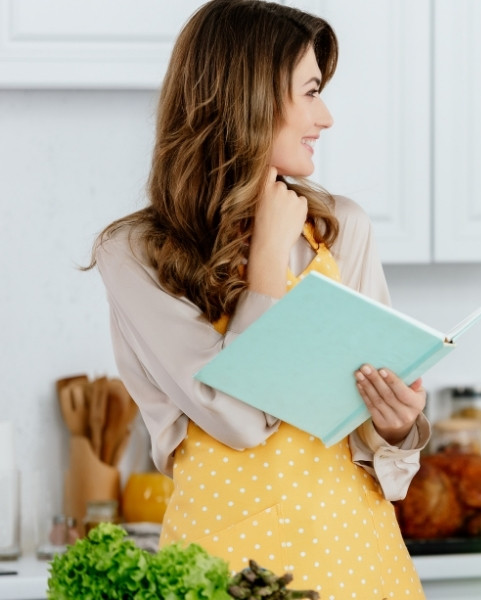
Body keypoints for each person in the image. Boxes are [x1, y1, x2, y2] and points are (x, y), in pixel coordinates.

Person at [88, 1, 428, 597]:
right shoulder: (136, 254)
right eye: (311, 91)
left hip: (363, 567)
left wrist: (396, 428)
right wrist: (268, 258)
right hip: (222, 575)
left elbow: (380, 464)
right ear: (247, 97)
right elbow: (237, 420)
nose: (325, 116)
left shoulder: (341, 228)